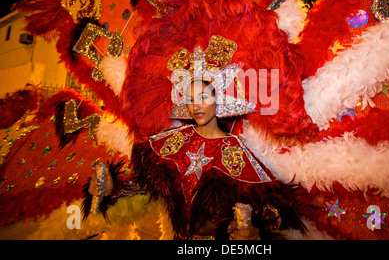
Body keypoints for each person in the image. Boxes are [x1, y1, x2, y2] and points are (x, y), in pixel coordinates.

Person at [84, 71, 307, 240]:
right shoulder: (175, 140)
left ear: (218, 100)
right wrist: (114, 188)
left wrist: (254, 230)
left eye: (202, 97)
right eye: (190, 99)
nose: (196, 106)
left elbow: (273, 205)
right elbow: (148, 183)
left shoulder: (233, 149)